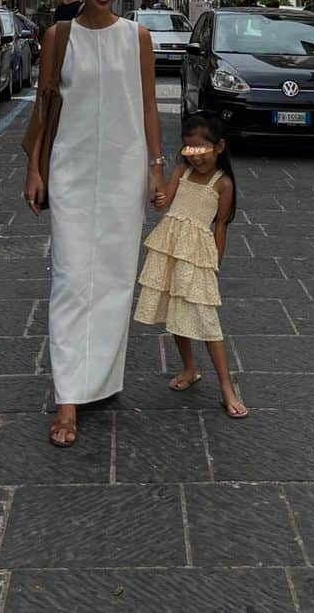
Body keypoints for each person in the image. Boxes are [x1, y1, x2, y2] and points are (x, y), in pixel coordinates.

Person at [23, 0, 166, 447]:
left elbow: (149, 105)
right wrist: (33, 169)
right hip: (71, 170)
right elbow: (43, 108)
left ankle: (99, 377)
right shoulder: (58, 37)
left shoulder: (138, 38)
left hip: (125, 171)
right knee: (70, 277)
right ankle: (68, 396)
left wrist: (156, 169)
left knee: (114, 279)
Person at [133, 112, 249, 419]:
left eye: (201, 150)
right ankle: (189, 368)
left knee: (208, 322)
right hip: (171, 250)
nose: (195, 158)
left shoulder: (222, 183)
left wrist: (215, 263)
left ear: (219, 147)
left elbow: (221, 226)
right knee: (176, 312)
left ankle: (227, 387)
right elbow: (165, 202)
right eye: (189, 150)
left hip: (197, 256)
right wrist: (157, 196)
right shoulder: (182, 171)